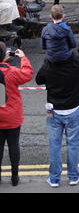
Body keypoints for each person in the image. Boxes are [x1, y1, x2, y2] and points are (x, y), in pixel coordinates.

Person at [35, 24, 79, 188]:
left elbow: (38, 80)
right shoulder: (75, 63)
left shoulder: (48, 66)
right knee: (73, 145)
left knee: (55, 146)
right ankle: (73, 176)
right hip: (72, 110)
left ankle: (54, 178)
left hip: (54, 111)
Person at [0, 42, 33, 186]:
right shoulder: (12, 71)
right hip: (12, 116)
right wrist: (23, 58)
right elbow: (27, 74)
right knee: (14, 145)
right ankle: (14, 176)